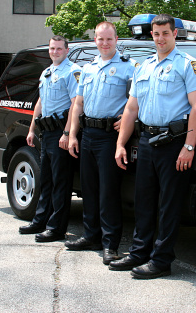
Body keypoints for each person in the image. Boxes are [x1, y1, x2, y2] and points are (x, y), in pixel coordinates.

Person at [110, 14, 196, 279]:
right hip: (146, 141)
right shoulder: (143, 67)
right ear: (151, 35)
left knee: (168, 204)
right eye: (156, 34)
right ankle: (138, 253)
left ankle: (161, 260)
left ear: (175, 34)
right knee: (143, 200)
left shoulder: (189, 65)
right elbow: (131, 109)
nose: (160, 38)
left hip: (173, 143)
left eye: (165, 33)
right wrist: (121, 144)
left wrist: (188, 147)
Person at [66, 21, 137, 265]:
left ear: (117, 39)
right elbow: (78, 104)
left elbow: (138, 101)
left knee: (108, 193)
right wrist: (73, 135)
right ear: (95, 40)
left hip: (110, 138)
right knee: (89, 190)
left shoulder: (130, 68)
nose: (104, 43)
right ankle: (90, 235)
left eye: (109, 39)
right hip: (88, 135)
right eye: (100, 39)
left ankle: (110, 245)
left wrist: (128, 119)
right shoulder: (88, 68)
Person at [19, 35, 81, 243]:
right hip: (46, 133)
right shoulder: (47, 72)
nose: (55, 52)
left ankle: (56, 228)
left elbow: (75, 104)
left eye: (59, 49)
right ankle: (40, 221)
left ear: (66, 50)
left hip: (60, 133)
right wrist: (31, 129)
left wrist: (66, 133)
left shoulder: (72, 71)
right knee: (45, 180)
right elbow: (40, 102)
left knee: (60, 184)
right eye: (52, 48)